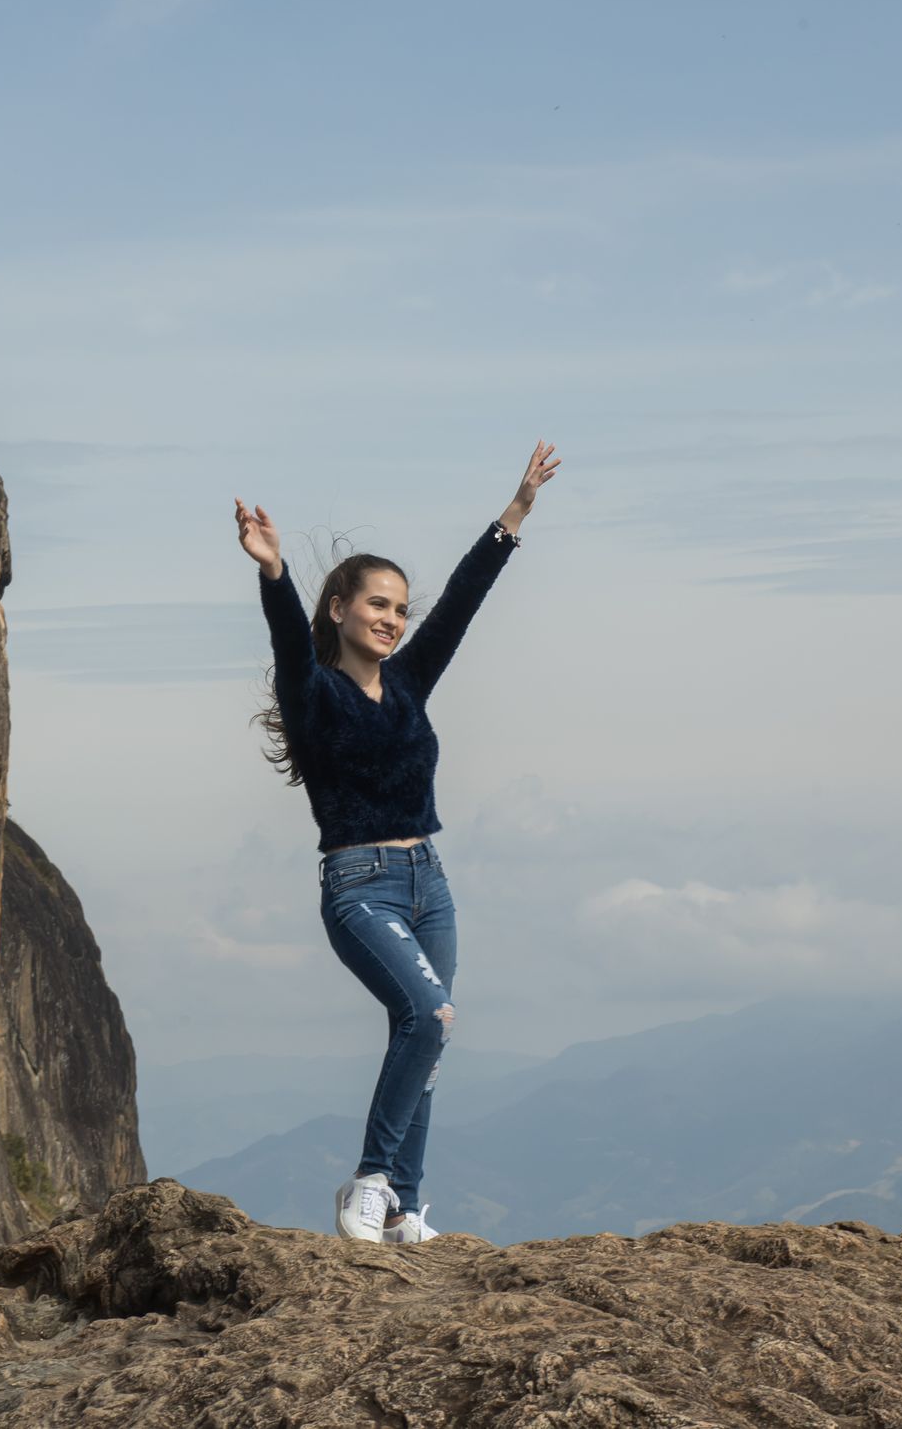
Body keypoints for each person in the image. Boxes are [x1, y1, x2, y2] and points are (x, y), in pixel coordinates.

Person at [235, 441, 560, 1245]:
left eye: (399, 610)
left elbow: (461, 603)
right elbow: (285, 639)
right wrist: (273, 571)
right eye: (377, 604)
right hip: (360, 884)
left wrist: (513, 513)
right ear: (340, 607)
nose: (392, 619)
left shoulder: (409, 682)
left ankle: (408, 1210)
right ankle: (370, 1183)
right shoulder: (314, 696)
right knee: (429, 1013)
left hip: (429, 881)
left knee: (427, 1040)